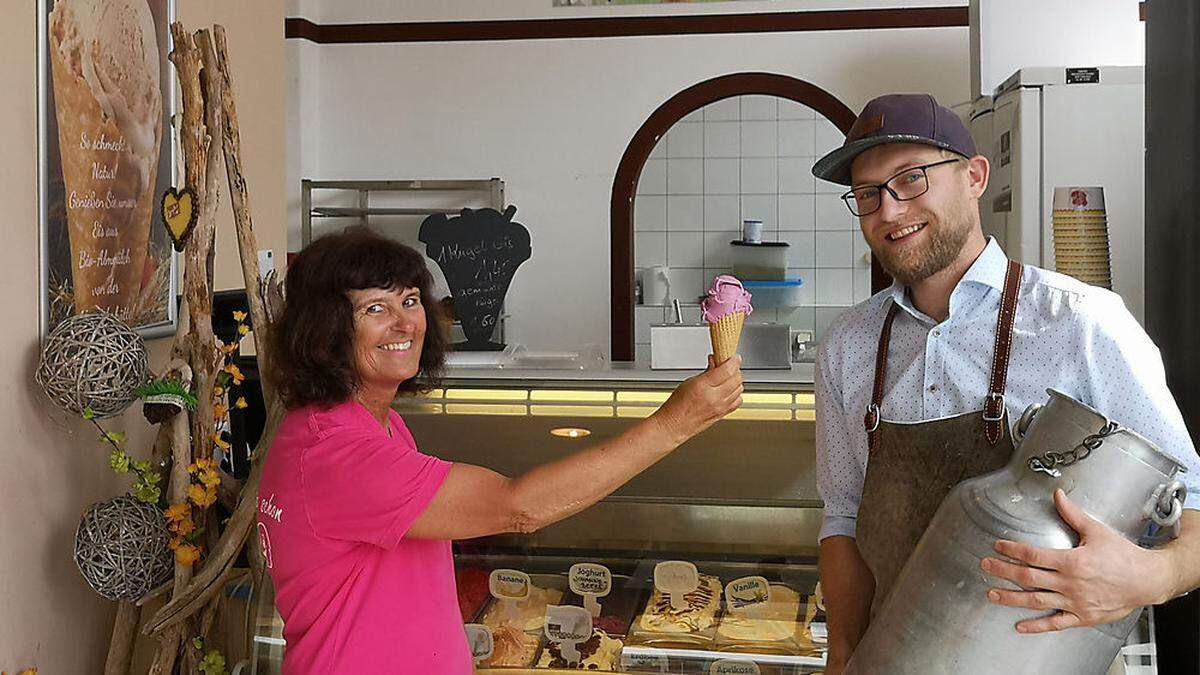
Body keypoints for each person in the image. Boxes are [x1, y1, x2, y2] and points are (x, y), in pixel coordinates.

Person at [809, 93, 1200, 673]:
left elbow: (1192, 500)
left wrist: (1156, 575)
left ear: (974, 177)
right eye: (868, 194)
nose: (889, 212)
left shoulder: (1080, 322)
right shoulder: (849, 345)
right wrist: (843, 655)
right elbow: (843, 517)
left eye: (911, 180)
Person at [256, 228, 744, 673]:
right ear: (326, 328)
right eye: (375, 309)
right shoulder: (337, 454)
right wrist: (678, 422)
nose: (405, 324)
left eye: (410, 300)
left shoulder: (370, 427)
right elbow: (519, 508)